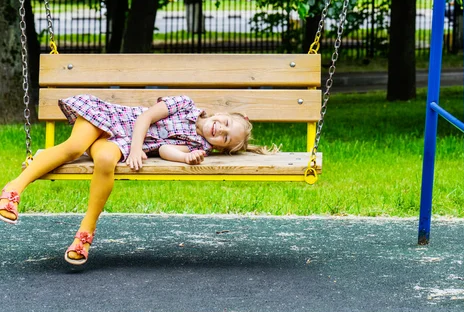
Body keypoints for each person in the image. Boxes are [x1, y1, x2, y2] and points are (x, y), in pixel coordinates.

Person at [0, 94, 274, 265]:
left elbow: (166, 150)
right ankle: (14, 189)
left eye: (225, 138)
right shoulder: (185, 105)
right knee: (74, 148)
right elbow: (145, 117)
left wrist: (185, 159)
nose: (220, 129)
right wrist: (134, 149)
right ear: (218, 113)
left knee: (106, 160)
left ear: (220, 148)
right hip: (110, 119)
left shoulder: (197, 146)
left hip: (118, 142)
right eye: (224, 122)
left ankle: (85, 232)